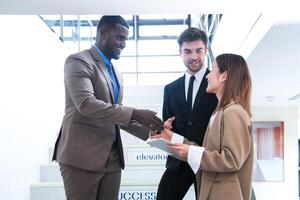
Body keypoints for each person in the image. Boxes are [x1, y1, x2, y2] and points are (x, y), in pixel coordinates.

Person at [52, 15, 163, 200]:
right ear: (102, 34)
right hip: (81, 158)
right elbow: (86, 105)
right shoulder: (78, 61)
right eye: (120, 38)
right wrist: (135, 112)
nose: (124, 44)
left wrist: (153, 132)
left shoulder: (116, 73)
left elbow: (116, 114)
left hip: (112, 160)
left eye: (126, 39)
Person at [153, 53, 254, 200]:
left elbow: (232, 159)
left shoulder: (233, 112)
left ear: (224, 76)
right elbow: (209, 151)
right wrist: (172, 137)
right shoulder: (220, 112)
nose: (207, 76)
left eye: (212, 70)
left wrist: (189, 152)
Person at [156, 27, 218, 200]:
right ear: (180, 53)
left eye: (199, 50)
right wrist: (164, 129)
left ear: (206, 50)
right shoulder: (170, 89)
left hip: (206, 161)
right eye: (188, 51)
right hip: (179, 162)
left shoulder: (217, 85)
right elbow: (167, 125)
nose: (193, 56)